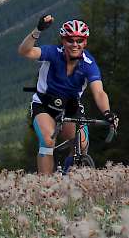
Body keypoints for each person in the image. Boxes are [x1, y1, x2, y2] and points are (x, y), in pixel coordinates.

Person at [18, 13, 119, 174]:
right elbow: (25, 51)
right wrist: (38, 30)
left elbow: (99, 92)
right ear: (63, 41)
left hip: (70, 106)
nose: (74, 44)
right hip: (44, 105)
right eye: (70, 40)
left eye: (79, 41)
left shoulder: (88, 64)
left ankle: (68, 177)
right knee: (47, 141)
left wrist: (107, 113)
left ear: (85, 42)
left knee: (82, 145)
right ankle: (44, 189)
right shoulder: (53, 53)